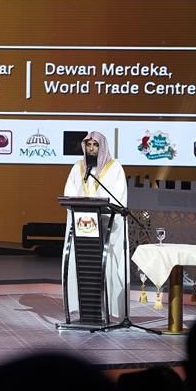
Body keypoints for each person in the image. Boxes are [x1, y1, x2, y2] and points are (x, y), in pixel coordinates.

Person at [61, 131, 128, 320]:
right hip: (83, 230)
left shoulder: (115, 168)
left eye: (95, 145)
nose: (91, 149)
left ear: (102, 147)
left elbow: (118, 198)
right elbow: (69, 193)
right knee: (80, 266)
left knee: (108, 267)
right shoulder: (78, 168)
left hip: (107, 229)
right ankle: (84, 311)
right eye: (88, 145)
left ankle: (107, 311)